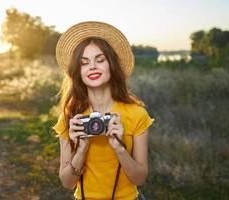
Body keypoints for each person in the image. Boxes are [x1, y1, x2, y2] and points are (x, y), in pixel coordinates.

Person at [53, 21, 154, 200]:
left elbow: (139, 179)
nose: (92, 66)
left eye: (100, 60)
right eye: (84, 63)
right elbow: (67, 182)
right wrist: (81, 149)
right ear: (78, 71)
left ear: (111, 65)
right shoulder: (71, 117)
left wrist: (119, 148)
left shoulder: (136, 114)